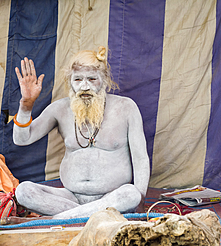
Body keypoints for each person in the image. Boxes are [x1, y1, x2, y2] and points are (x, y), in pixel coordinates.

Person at [13, 46, 150, 219]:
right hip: (70, 198)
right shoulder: (60, 108)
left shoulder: (126, 107)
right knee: (23, 191)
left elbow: (140, 158)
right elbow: (21, 139)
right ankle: (86, 214)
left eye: (92, 79)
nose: (85, 86)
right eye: (78, 79)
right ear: (70, 81)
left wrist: (140, 199)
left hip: (113, 196)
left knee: (131, 194)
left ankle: (62, 217)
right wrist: (26, 105)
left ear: (105, 79)